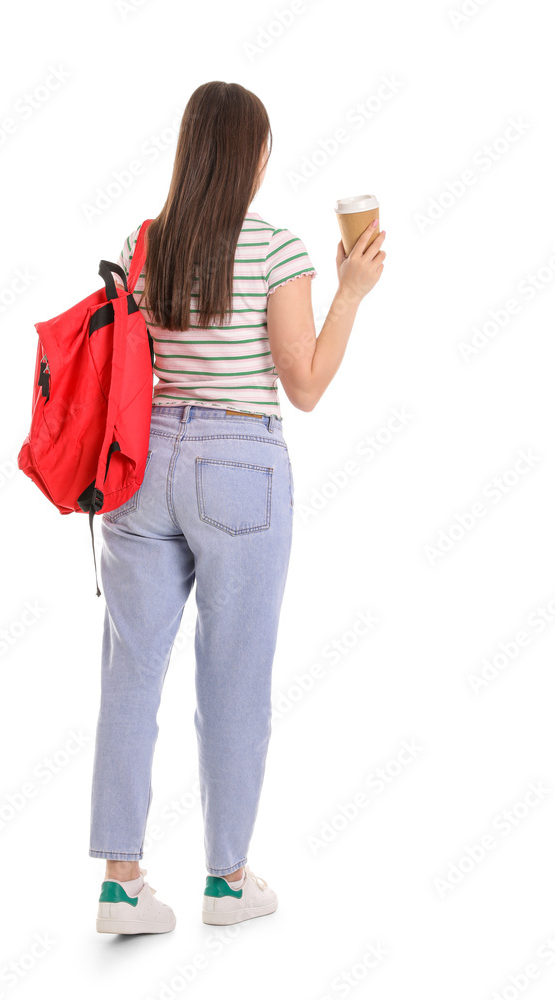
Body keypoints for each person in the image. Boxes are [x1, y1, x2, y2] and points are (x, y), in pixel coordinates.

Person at [90, 81, 386, 935]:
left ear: (192, 151)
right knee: (234, 678)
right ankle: (226, 882)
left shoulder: (144, 245)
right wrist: (352, 292)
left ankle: (120, 887)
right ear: (252, 156)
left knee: (130, 674)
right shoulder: (277, 248)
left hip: (142, 468)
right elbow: (305, 387)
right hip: (237, 469)